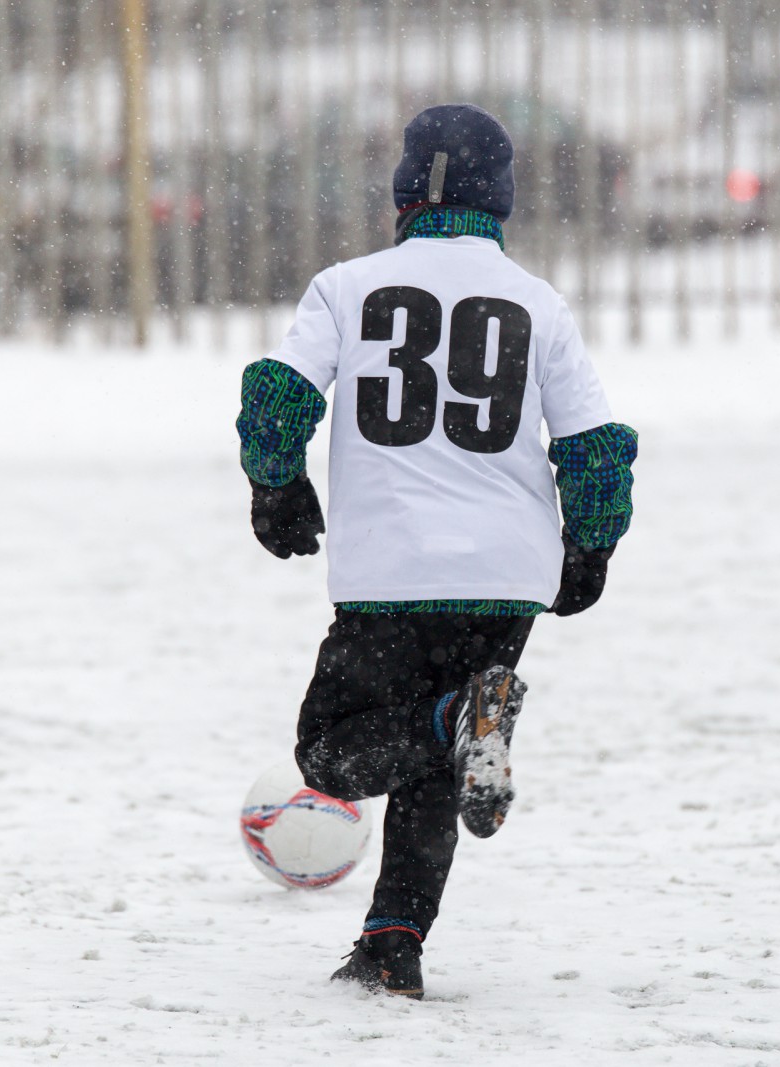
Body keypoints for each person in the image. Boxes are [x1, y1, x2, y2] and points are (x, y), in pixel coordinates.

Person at [235, 103, 638, 998]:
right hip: (506, 574)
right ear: (504, 200)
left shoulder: (346, 286)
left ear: (405, 192)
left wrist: (275, 483)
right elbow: (595, 444)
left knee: (333, 751)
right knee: (445, 753)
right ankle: (391, 943)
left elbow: (277, 395)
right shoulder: (539, 302)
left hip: (390, 570)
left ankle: (454, 722)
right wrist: (592, 544)